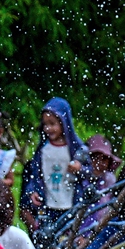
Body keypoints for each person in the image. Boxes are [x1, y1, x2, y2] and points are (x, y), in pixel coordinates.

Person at [19, 97, 89, 230]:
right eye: (45, 124)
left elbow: (90, 173)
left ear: (64, 122)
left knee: (70, 238)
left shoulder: (76, 150)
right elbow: (35, 174)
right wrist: (32, 191)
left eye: (52, 124)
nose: (48, 128)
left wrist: (79, 168)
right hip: (48, 205)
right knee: (49, 237)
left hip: (71, 203)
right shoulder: (43, 150)